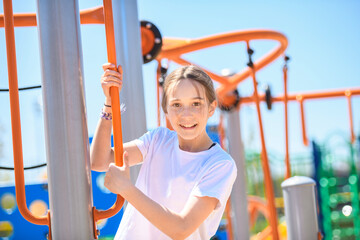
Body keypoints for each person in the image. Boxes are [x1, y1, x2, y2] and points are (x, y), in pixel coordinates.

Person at [90, 63, 237, 240]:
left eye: (196, 103)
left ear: (211, 108)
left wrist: (126, 189)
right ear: (166, 109)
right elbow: (99, 161)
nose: (186, 114)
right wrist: (109, 103)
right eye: (177, 105)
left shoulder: (219, 164)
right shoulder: (158, 140)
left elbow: (181, 229)